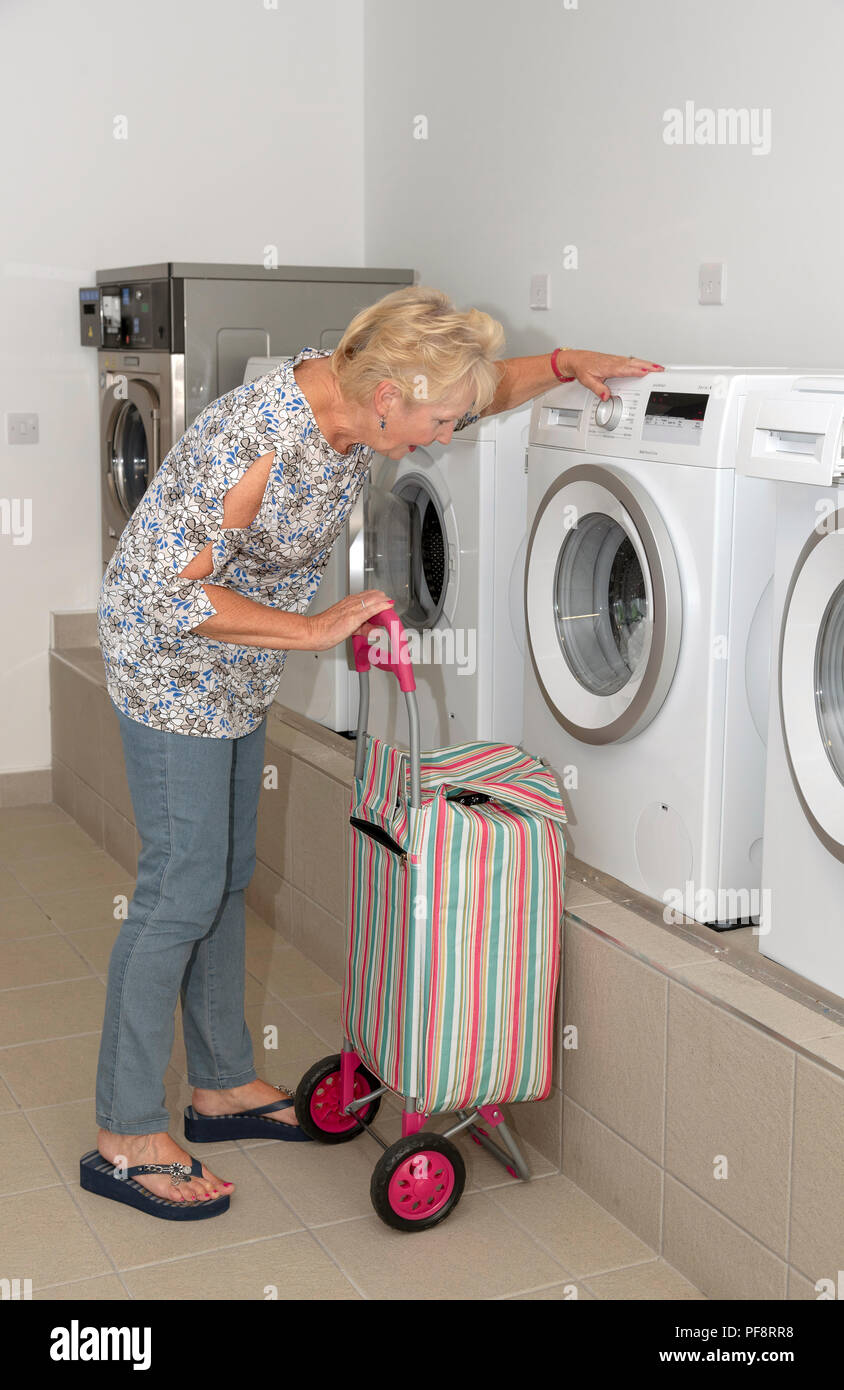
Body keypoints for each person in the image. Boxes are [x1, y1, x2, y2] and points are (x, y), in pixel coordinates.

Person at [83, 284, 662, 1220]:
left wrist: (563, 366)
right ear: (389, 394)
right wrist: (314, 633)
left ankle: (223, 1081)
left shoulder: (364, 403)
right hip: (169, 663)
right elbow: (162, 597)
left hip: (235, 665)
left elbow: (482, 388)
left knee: (224, 874)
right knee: (177, 887)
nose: (440, 435)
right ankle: (124, 1130)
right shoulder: (257, 440)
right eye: (434, 419)